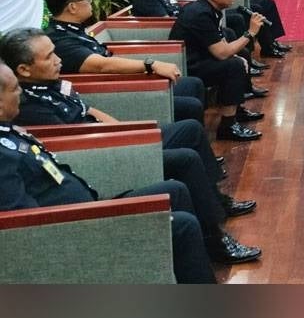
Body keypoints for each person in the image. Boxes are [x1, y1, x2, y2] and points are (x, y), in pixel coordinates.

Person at [0, 31, 261, 265]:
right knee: (184, 210)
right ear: (23, 70)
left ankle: (214, 228)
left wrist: (124, 131)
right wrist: (125, 140)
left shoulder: (45, 89)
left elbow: (86, 109)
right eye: (13, 90)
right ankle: (212, 242)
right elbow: (26, 229)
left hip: (100, 170)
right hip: (82, 216)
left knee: (179, 181)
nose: (58, 60)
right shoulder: (28, 113)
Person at [0, 62, 219, 283]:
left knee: (176, 190)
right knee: (183, 226)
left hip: (89, 208)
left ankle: (212, 245)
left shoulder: (9, 132)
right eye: (14, 89)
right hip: (79, 229)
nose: (21, 92)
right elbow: (23, 230)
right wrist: (99, 217)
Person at [43, 0, 210, 126]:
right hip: (113, 91)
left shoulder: (74, 30)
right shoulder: (60, 39)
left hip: (120, 80)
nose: (91, 1)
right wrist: (150, 65)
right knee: (191, 107)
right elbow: (101, 65)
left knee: (193, 84)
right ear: (72, 7)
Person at [169, 0, 266, 142]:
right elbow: (221, 53)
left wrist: (236, 54)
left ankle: (236, 110)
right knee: (233, 66)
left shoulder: (210, 9)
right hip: (187, 66)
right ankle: (228, 126)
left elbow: (221, 43)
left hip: (202, 56)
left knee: (240, 54)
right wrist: (250, 33)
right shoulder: (200, 14)